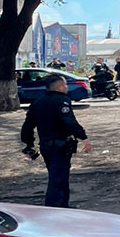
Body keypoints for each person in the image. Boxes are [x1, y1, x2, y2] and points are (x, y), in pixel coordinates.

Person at [20, 74, 92, 207]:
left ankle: (64, 206)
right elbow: (69, 121)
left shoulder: (38, 102)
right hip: (60, 145)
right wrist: (83, 137)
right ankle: (54, 208)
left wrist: (29, 144)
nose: (66, 87)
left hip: (46, 145)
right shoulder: (62, 100)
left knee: (59, 177)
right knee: (58, 179)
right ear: (59, 87)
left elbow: (27, 126)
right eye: (64, 85)